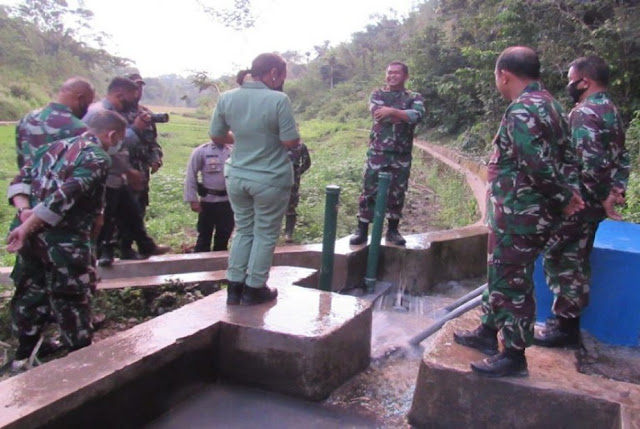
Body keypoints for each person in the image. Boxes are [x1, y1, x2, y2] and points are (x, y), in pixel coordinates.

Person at [453, 46, 584, 377]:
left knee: (511, 281)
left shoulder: (522, 110)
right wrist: (568, 193)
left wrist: (562, 194)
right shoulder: (554, 106)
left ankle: (513, 355)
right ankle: (487, 330)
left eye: (496, 77)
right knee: (499, 271)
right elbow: (569, 159)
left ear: (504, 75)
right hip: (529, 212)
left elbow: (536, 165)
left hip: (519, 213)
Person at [4, 110, 127, 373]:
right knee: (71, 297)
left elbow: (19, 182)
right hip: (64, 242)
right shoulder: (96, 156)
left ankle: (23, 354)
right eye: (120, 138)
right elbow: (64, 196)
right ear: (112, 134)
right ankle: (80, 362)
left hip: (32, 237)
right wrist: (28, 224)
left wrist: (24, 211)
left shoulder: (53, 146)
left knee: (31, 291)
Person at [535, 56, 630, 348]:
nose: (568, 85)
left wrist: (604, 198)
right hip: (591, 204)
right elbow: (622, 157)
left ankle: (566, 327)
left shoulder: (584, 113)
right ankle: (565, 322)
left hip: (577, 204)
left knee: (561, 259)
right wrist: (617, 189)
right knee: (575, 260)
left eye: (570, 79)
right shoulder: (610, 109)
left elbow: (589, 163)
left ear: (584, 81)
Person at [210, 52, 300, 306]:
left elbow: (216, 135)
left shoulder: (227, 98)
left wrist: (243, 137)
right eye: (281, 75)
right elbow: (289, 141)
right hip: (270, 178)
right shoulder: (279, 100)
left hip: (237, 175)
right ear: (273, 73)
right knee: (265, 233)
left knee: (243, 230)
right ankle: (255, 288)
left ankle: (234, 287)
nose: (281, 80)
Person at [83, 77, 169, 265]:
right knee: (106, 215)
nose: (135, 98)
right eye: (132, 95)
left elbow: (129, 145)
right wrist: (136, 129)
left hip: (119, 173)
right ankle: (103, 253)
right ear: (120, 95)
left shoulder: (125, 112)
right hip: (105, 175)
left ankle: (142, 245)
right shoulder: (99, 114)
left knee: (131, 211)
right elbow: (110, 143)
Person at [350, 61, 425, 246]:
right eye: (389, 73)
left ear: (405, 76)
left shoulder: (414, 97)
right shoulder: (378, 94)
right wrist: (403, 116)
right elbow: (378, 114)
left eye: (396, 73)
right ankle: (362, 229)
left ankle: (392, 231)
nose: (392, 76)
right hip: (378, 152)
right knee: (369, 190)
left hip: (401, 153)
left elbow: (417, 115)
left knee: (397, 191)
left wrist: (391, 111)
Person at [15, 77, 95, 168]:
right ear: (80, 99)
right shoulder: (79, 129)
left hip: (27, 181)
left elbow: (21, 158)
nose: (87, 110)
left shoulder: (27, 119)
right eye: (88, 104)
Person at [184, 139, 234, 252]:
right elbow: (191, 175)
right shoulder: (201, 151)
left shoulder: (235, 150)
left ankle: (219, 266)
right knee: (204, 236)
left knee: (224, 236)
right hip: (208, 200)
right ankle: (200, 265)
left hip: (228, 200)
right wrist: (192, 199)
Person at [284, 140, 311, 243]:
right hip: (276, 176)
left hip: (293, 177)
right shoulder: (276, 142)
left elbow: (307, 163)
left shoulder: (300, 146)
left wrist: (298, 172)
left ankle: (288, 233)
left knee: (291, 204)